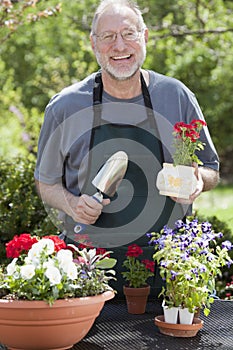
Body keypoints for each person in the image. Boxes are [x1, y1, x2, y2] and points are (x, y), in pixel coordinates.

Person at [34, 0, 219, 298]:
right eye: (108, 36)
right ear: (94, 44)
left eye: (128, 33)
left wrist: (198, 181)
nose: (119, 45)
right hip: (89, 266)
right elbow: (46, 182)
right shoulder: (66, 107)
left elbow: (212, 169)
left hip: (170, 264)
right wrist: (72, 204)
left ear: (144, 37)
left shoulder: (177, 96)